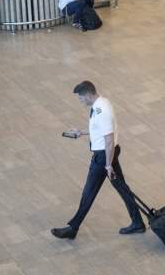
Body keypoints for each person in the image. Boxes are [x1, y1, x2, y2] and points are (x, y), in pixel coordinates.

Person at [51, 81, 145, 240]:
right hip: (106, 155)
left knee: (89, 192)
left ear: (88, 95)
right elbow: (100, 130)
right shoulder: (101, 104)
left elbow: (109, 140)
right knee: (122, 188)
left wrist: (108, 165)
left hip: (103, 157)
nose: (80, 101)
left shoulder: (102, 111)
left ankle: (73, 228)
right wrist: (81, 132)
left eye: (81, 98)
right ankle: (138, 223)